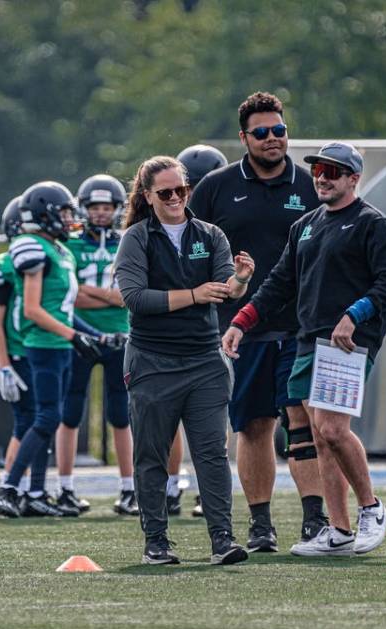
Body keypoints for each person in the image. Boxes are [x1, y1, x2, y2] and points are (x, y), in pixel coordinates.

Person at [223, 142, 386, 556]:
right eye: (318, 170)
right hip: (308, 340)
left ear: (353, 178)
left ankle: (372, 509)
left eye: (333, 171)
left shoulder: (371, 224)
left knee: (331, 430)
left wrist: (354, 315)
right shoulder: (306, 225)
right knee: (318, 438)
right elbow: (279, 283)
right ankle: (339, 532)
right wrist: (242, 320)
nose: (322, 177)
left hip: (346, 342)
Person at [189, 91, 327, 552]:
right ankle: (262, 524)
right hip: (240, 327)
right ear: (244, 137)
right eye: (263, 133)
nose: (273, 139)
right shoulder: (216, 187)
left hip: (302, 326)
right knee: (254, 426)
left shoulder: (312, 186)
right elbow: (191, 248)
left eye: (280, 130)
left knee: (304, 419)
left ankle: (314, 520)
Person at [114, 155, 253, 566]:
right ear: (147, 196)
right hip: (152, 361)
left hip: (204, 360)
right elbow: (135, 298)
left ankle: (222, 540)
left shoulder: (210, 235)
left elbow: (227, 288)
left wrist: (241, 280)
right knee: (152, 454)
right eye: (166, 192)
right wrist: (193, 295)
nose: (176, 197)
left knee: (211, 453)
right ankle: (156, 541)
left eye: (182, 190)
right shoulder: (136, 239)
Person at [0, 182, 101, 518]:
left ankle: (36, 491)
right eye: (64, 212)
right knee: (46, 417)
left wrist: (95, 334)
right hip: (42, 344)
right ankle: (10, 487)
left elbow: (64, 309)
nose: (71, 218)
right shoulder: (31, 247)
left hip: (59, 344)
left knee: (47, 419)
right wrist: (73, 336)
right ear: (45, 214)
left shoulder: (61, 251)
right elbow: (33, 310)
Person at [57, 173, 137, 516]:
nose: (101, 213)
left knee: (122, 415)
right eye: (95, 207)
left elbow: (130, 298)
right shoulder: (71, 244)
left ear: (118, 209)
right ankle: (65, 488)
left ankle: (129, 488)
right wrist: (109, 297)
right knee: (70, 412)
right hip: (81, 335)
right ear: (84, 209)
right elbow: (68, 297)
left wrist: (96, 295)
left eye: (107, 207)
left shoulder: (127, 242)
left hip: (122, 337)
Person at [173, 143, 229, 518]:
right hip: (176, 330)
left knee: (212, 420)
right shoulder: (168, 224)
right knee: (166, 417)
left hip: (222, 327)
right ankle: (167, 485)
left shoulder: (219, 227)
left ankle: (205, 492)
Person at [0, 195, 35, 500]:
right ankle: (11, 485)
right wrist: (4, 365)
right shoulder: (5, 265)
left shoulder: (56, 256)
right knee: (28, 421)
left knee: (37, 421)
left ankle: (25, 486)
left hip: (45, 351)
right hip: (20, 352)